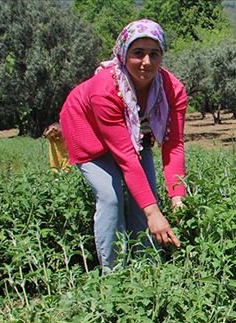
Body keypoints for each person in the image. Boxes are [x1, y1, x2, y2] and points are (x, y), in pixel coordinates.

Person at [59, 19, 187, 272]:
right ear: (123, 53)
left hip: (136, 137)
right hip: (87, 134)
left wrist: (178, 196)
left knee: (148, 196)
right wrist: (154, 215)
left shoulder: (173, 90)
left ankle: (147, 267)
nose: (147, 62)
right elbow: (127, 158)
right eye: (138, 53)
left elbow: (174, 145)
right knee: (111, 197)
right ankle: (114, 273)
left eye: (154, 54)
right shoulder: (105, 90)